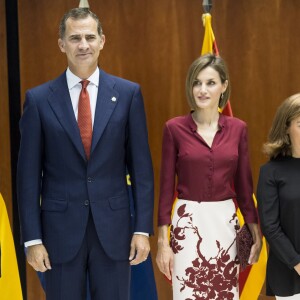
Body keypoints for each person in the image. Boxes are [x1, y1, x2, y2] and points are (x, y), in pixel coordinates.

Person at [17, 7, 154, 300]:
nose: (83, 45)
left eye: (90, 37)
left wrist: (142, 229)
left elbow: (141, 170)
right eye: (75, 37)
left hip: (114, 232)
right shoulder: (39, 100)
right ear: (61, 44)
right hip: (58, 235)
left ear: (102, 41)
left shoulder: (129, 94)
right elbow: (28, 178)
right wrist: (32, 238)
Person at [156, 54, 262, 300]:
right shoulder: (174, 128)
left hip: (225, 224)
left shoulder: (239, 129)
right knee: (187, 293)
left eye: (210, 83)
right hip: (187, 225)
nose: (202, 90)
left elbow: (245, 188)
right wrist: (162, 241)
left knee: (225, 294)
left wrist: (256, 233)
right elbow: (164, 190)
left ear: (224, 86)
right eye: (197, 82)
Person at [257, 94, 300, 300]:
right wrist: (297, 263)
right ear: (286, 128)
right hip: (289, 272)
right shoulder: (271, 172)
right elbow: (270, 227)